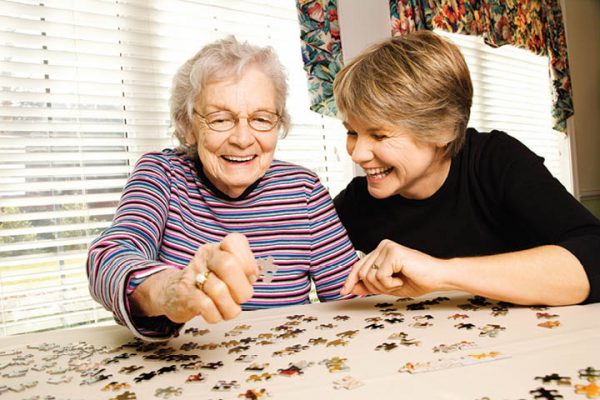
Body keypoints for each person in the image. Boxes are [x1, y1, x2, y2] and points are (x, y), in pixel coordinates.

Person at [87, 37, 357, 340]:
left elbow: (350, 297)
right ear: (187, 126)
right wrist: (171, 290)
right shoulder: (161, 174)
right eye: (220, 119)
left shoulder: (304, 190)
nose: (242, 139)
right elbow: (108, 258)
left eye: (261, 119)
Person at [334, 30, 600, 306]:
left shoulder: (496, 160)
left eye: (379, 135)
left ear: (443, 129)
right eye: (352, 132)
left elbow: (594, 254)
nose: (358, 153)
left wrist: (441, 273)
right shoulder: (358, 201)